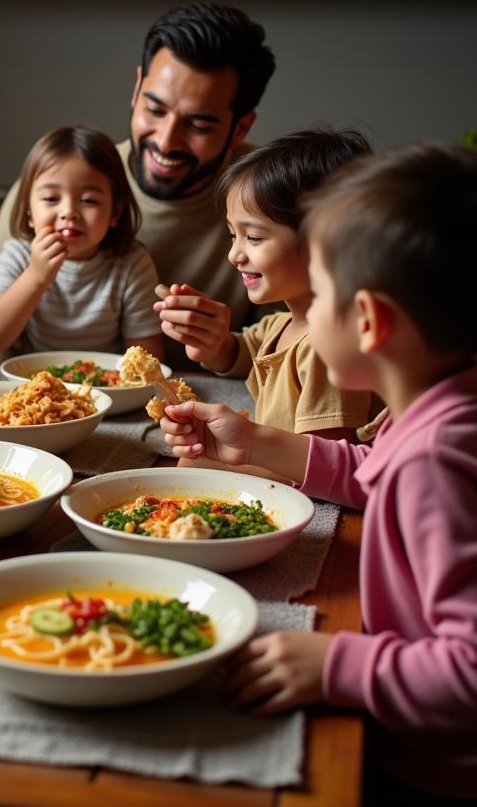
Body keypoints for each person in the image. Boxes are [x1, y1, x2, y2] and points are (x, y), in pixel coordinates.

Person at [159, 143, 477, 805]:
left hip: (430, 767)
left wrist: (339, 665)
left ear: (367, 322)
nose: (304, 313)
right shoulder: (435, 411)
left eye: (321, 292)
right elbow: (369, 476)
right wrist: (256, 444)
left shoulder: (437, 459)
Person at [0, 2, 277, 367]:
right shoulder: (48, 187)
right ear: (137, 88)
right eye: (155, 110)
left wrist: (228, 349)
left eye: (198, 125)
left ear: (240, 128)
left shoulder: (268, 196)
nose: (165, 141)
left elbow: (297, 338)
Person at [155, 127, 381, 447]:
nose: (234, 255)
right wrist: (214, 344)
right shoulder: (281, 325)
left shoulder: (328, 346)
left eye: (255, 237)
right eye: (234, 235)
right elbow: (247, 351)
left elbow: (323, 464)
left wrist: (225, 451)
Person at [0, 126, 163, 361]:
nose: (69, 212)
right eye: (51, 199)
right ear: (29, 212)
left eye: (88, 200)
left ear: (115, 211)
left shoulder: (132, 262)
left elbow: (149, 360)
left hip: (107, 388)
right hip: (34, 387)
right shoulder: (19, 254)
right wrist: (36, 276)